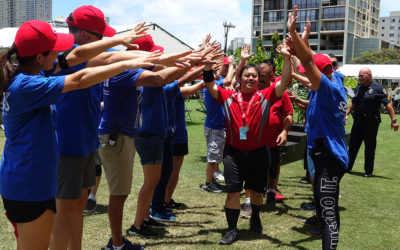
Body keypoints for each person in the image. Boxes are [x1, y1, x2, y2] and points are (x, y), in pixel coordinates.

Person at [0, 19, 157, 250]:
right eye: (55, 49)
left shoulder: (30, 75)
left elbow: (74, 57)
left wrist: (119, 40)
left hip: (25, 181)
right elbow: (79, 79)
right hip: (30, 186)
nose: (60, 53)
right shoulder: (28, 85)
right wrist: (127, 65)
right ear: (39, 57)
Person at [49, 6, 155, 250]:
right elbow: (109, 57)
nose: (104, 41)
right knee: (64, 212)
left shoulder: (82, 55)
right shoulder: (68, 56)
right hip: (69, 145)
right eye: (101, 36)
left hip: (85, 142)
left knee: (77, 207)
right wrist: (140, 54)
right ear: (86, 36)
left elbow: (110, 57)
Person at [202, 39, 292, 245]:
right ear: (240, 78)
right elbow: (209, 84)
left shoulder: (266, 96)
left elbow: (284, 81)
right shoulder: (227, 96)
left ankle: (256, 216)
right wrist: (207, 65)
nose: (251, 78)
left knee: (256, 191)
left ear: (258, 80)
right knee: (233, 191)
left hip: (259, 153)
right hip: (233, 153)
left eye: (254, 76)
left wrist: (287, 57)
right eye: (247, 75)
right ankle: (232, 229)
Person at [287, 6, 348, 249]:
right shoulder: (335, 81)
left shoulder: (329, 89)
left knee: (328, 213)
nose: (307, 77)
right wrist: (303, 41)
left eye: (311, 74)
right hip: (325, 153)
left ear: (321, 74)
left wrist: (293, 32)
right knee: (326, 208)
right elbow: (313, 63)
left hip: (330, 158)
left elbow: (310, 62)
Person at [164, 68, 206, 209]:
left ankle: (164, 199)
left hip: (173, 134)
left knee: (168, 171)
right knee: (173, 171)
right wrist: (208, 69)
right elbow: (200, 85)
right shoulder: (175, 91)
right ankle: (166, 200)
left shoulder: (165, 88)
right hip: (176, 136)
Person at [346, 67, 398, 176]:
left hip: (371, 122)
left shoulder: (378, 88)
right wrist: (346, 113)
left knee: (369, 147)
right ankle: (347, 167)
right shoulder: (358, 87)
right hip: (358, 121)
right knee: (353, 145)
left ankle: (368, 171)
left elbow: (388, 105)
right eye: (359, 75)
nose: (359, 78)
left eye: (362, 76)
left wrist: (394, 120)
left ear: (369, 75)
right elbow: (353, 102)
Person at [200, 57, 233, 193]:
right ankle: (207, 184)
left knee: (216, 157)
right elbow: (229, 80)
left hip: (217, 127)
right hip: (215, 127)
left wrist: (240, 62)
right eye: (221, 67)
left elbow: (232, 80)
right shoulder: (213, 85)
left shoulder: (216, 84)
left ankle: (212, 180)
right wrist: (231, 64)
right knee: (212, 159)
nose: (223, 69)